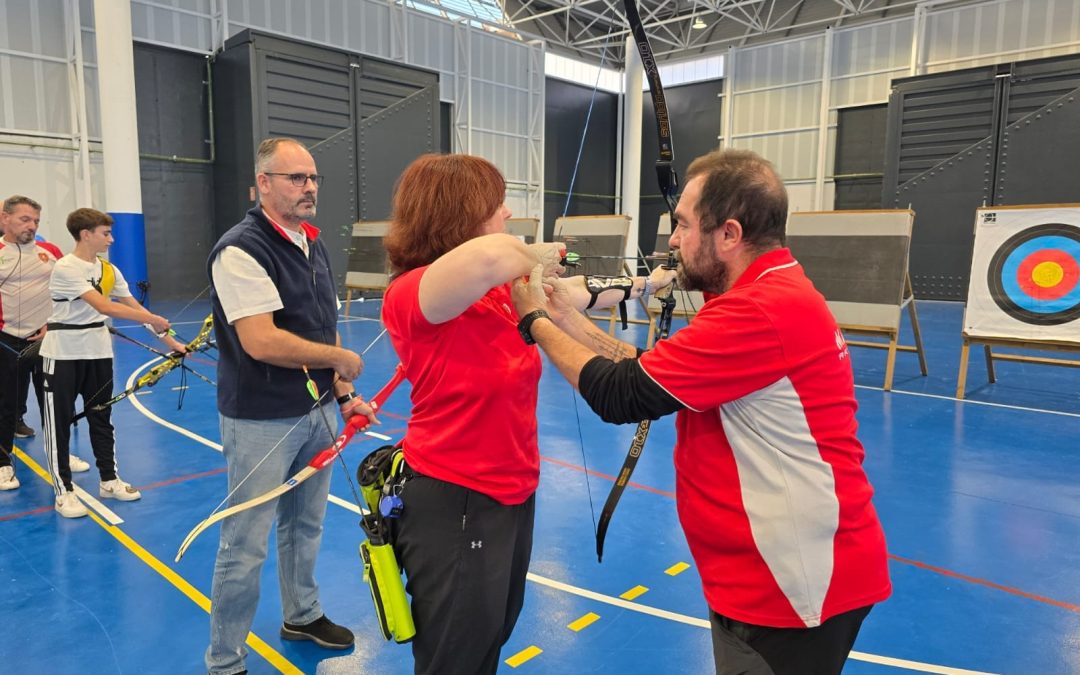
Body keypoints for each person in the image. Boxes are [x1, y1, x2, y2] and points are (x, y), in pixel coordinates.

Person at [512, 148, 892, 675]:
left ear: (729, 234)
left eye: (683, 225)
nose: (672, 240)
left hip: (791, 583)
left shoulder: (760, 310)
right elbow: (653, 371)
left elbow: (622, 394)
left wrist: (532, 319)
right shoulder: (766, 292)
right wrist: (565, 319)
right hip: (774, 571)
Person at [380, 152, 675, 674]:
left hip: (512, 490)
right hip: (455, 495)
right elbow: (494, 255)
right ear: (462, 216)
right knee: (455, 654)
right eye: (496, 207)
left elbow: (572, 296)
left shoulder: (498, 292)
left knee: (491, 634)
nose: (508, 213)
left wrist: (650, 284)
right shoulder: (416, 294)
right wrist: (539, 252)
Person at [205, 137, 379, 675]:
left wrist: (345, 394)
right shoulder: (241, 248)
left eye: (313, 178)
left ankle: (301, 615)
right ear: (263, 184)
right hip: (260, 419)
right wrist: (341, 358)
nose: (309, 188)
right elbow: (262, 340)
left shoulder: (312, 242)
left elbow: (316, 327)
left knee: (306, 525)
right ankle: (226, 660)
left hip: (320, 411)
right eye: (295, 178)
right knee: (246, 542)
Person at [40, 207, 185, 516]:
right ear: (85, 234)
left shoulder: (109, 270)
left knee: (101, 418)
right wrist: (152, 317)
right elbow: (105, 306)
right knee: (58, 425)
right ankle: (63, 490)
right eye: (106, 233)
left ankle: (108, 479)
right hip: (62, 354)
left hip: (99, 353)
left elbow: (132, 305)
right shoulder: (66, 268)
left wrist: (173, 343)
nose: (112, 239)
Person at [0, 196, 63, 490]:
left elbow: (64, 290)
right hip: (5, 339)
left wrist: (51, 324)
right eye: (25, 219)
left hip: (45, 339)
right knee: (5, 400)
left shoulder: (50, 251)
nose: (32, 225)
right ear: (5, 219)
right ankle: (2, 460)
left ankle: (60, 455)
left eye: (36, 220)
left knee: (53, 398)